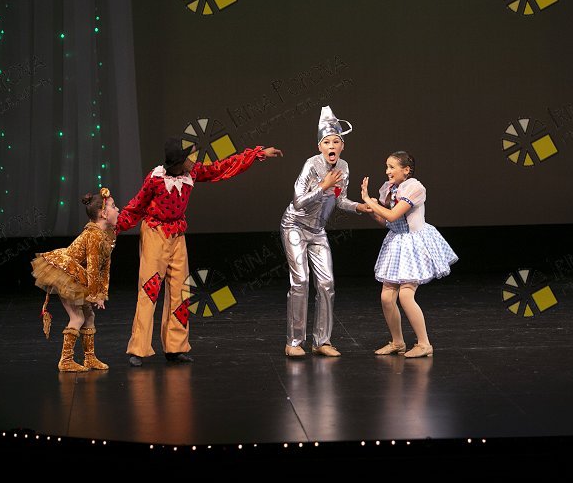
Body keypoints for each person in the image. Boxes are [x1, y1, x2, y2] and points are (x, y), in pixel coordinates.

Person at [117, 137, 283, 367]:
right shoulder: (155, 179)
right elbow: (136, 207)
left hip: (177, 234)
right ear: (178, 162)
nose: (194, 160)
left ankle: (175, 347)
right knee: (150, 289)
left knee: (180, 291)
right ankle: (139, 348)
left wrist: (256, 154)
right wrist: (113, 227)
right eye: (190, 157)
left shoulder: (192, 173)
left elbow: (221, 168)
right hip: (155, 233)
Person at [281, 105, 372, 358]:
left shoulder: (344, 166)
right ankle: (294, 342)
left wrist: (359, 207)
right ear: (320, 146)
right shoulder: (311, 165)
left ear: (342, 146)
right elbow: (298, 201)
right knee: (301, 280)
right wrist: (323, 185)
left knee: (327, 283)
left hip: (317, 230)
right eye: (327, 142)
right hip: (295, 226)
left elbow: (340, 199)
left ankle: (322, 341)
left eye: (336, 142)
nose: (331, 146)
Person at [360, 151, 458, 358]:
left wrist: (369, 200)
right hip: (397, 243)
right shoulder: (390, 189)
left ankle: (424, 344)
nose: (387, 171)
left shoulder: (415, 188)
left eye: (392, 167)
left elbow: (393, 214)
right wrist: (372, 211)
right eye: (386, 167)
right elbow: (388, 222)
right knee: (387, 297)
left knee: (405, 295)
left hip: (414, 243)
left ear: (406, 170)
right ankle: (397, 342)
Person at [31, 188, 119, 372]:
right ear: (103, 214)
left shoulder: (105, 235)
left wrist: (102, 293)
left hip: (78, 275)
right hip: (67, 274)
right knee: (77, 317)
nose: (117, 209)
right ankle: (66, 360)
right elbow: (93, 268)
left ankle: (89, 358)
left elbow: (104, 267)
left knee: (89, 316)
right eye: (113, 206)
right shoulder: (94, 235)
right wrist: (95, 295)